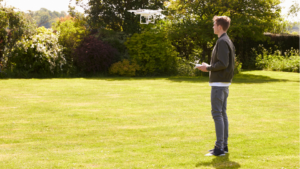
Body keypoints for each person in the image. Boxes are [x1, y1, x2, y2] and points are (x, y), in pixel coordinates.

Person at [198, 16, 235, 156]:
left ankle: (219, 148)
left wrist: (207, 69)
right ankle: (223, 147)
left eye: (214, 24)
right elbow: (223, 63)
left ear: (219, 26)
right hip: (223, 83)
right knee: (222, 114)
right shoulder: (226, 40)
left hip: (219, 84)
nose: (213, 27)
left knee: (217, 114)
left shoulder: (222, 41)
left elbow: (223, 64)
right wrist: (209, 66)